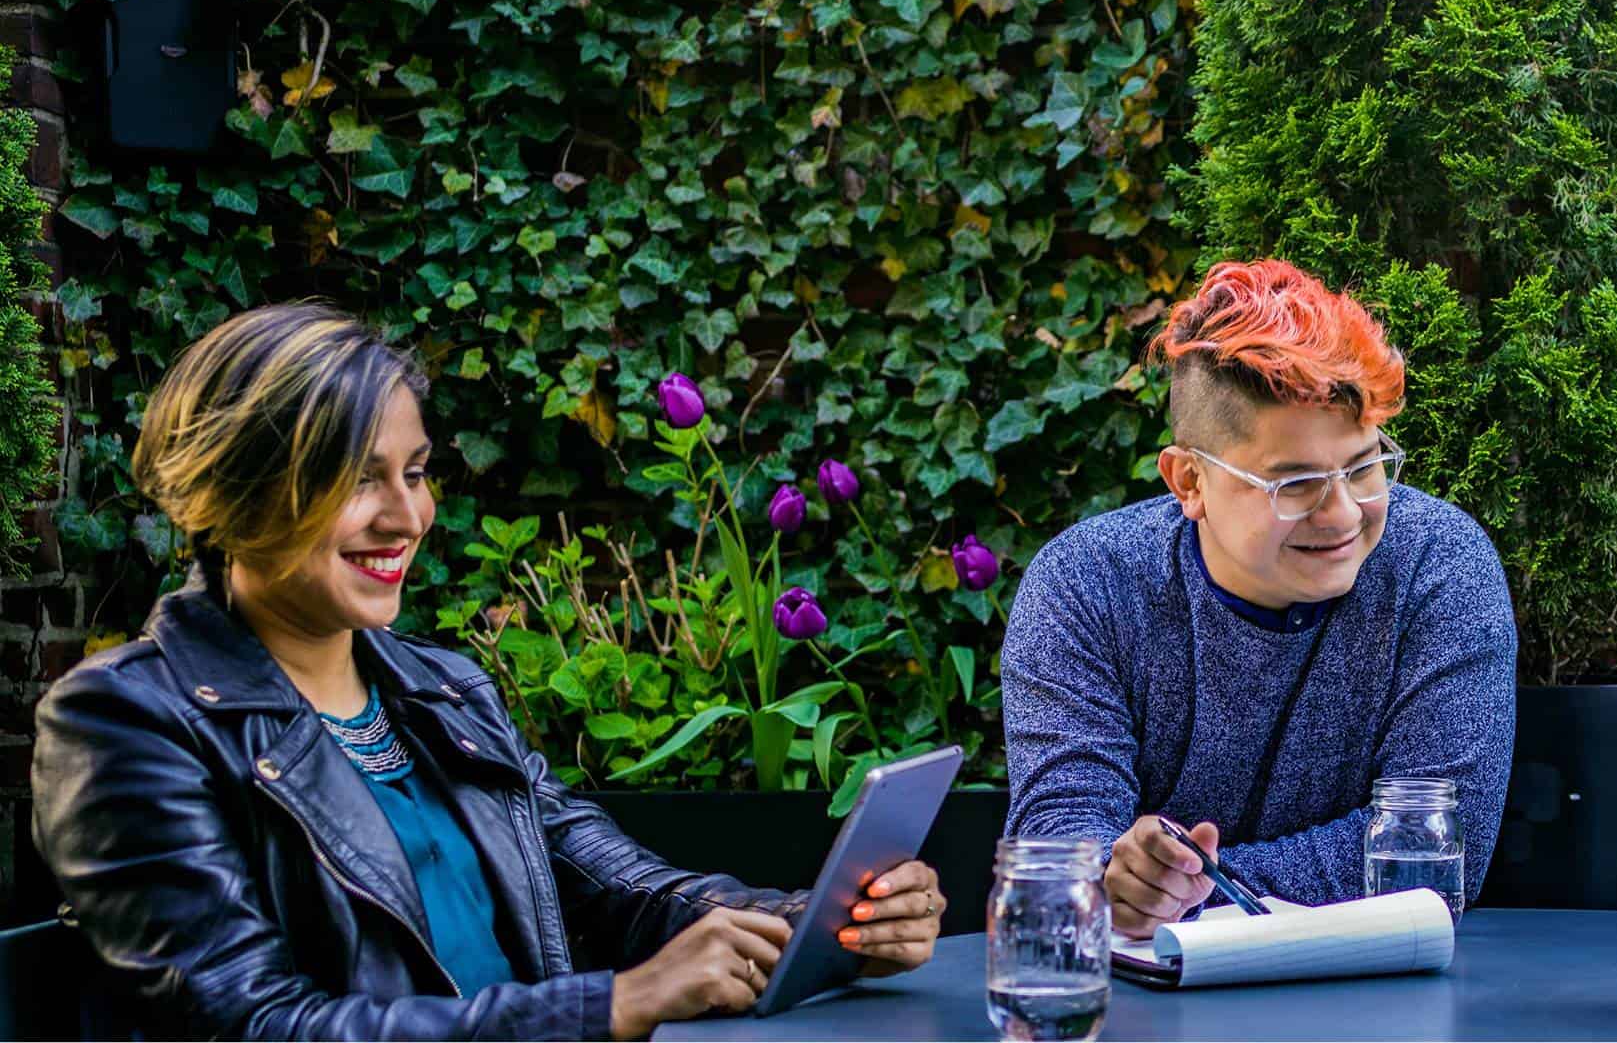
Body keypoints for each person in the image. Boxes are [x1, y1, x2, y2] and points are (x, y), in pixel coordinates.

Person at [33, 303, 945, 1040]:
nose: (406, 516)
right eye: (360, 480)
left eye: (417, 472)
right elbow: (258, 1024)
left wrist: (827, 924)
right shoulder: (125, 723)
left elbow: (622, 890)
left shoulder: (442, 691)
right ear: (231, 495)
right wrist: (613, 1005)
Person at [1002, 260, 1516, 937]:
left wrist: (1184, 898)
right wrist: (1116, 875)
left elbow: (1436, 852)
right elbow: (1064, 841)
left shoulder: (1438, 564)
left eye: (1363, 467)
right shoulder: (1085, 585)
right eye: (1294, 483)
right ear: (1189, 481)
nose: (1342, 514)